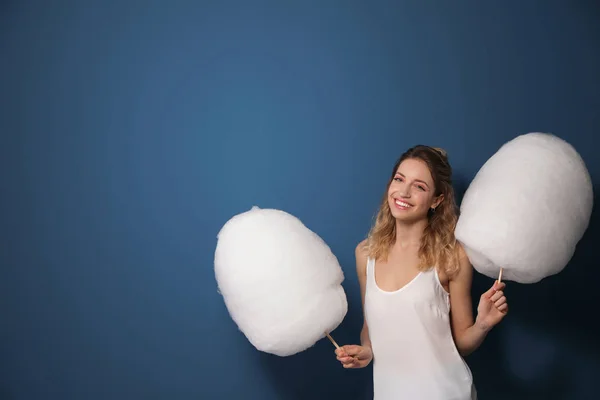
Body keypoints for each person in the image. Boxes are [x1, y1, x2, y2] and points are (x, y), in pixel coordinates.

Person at [335, 145, 508, 399]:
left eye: (419, 186)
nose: (403, 192)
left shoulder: (451, 256)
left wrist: (482, 324)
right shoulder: (365, 254)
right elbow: (370, 327)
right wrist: (366, 351)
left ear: (437, 200)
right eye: (399, 179)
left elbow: (460, 343)